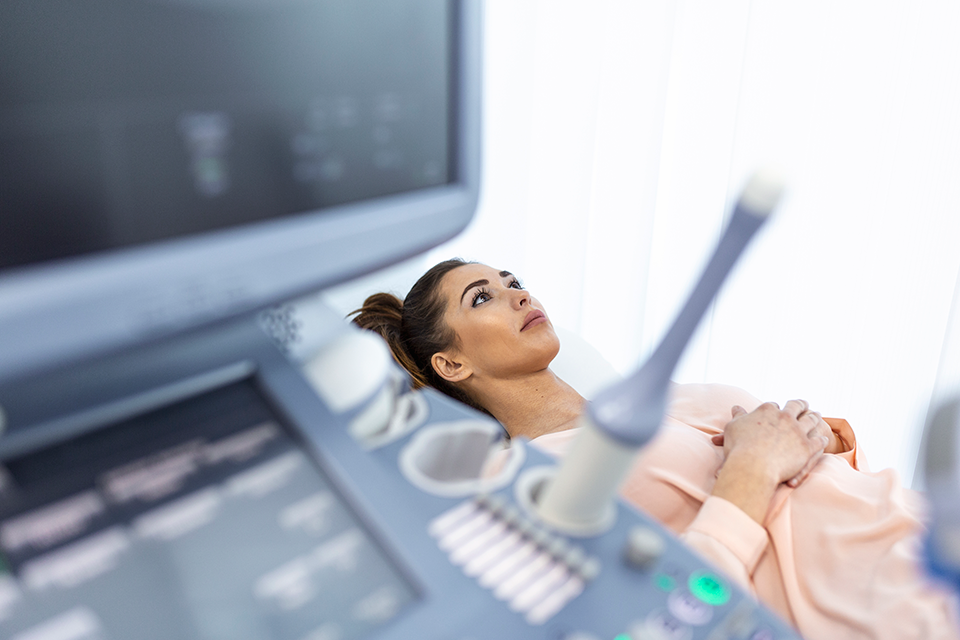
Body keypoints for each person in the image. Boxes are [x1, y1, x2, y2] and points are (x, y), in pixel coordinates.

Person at [351, 258, 960, 640]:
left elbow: (817, 466)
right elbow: (661, 616)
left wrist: (816, 433)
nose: (517, 293)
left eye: (514, 281)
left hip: (922, 531)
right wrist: (754, 466)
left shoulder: (663, 399)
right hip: (892, 608)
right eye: (481, 297)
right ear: (450, 362)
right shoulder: (546, 486)